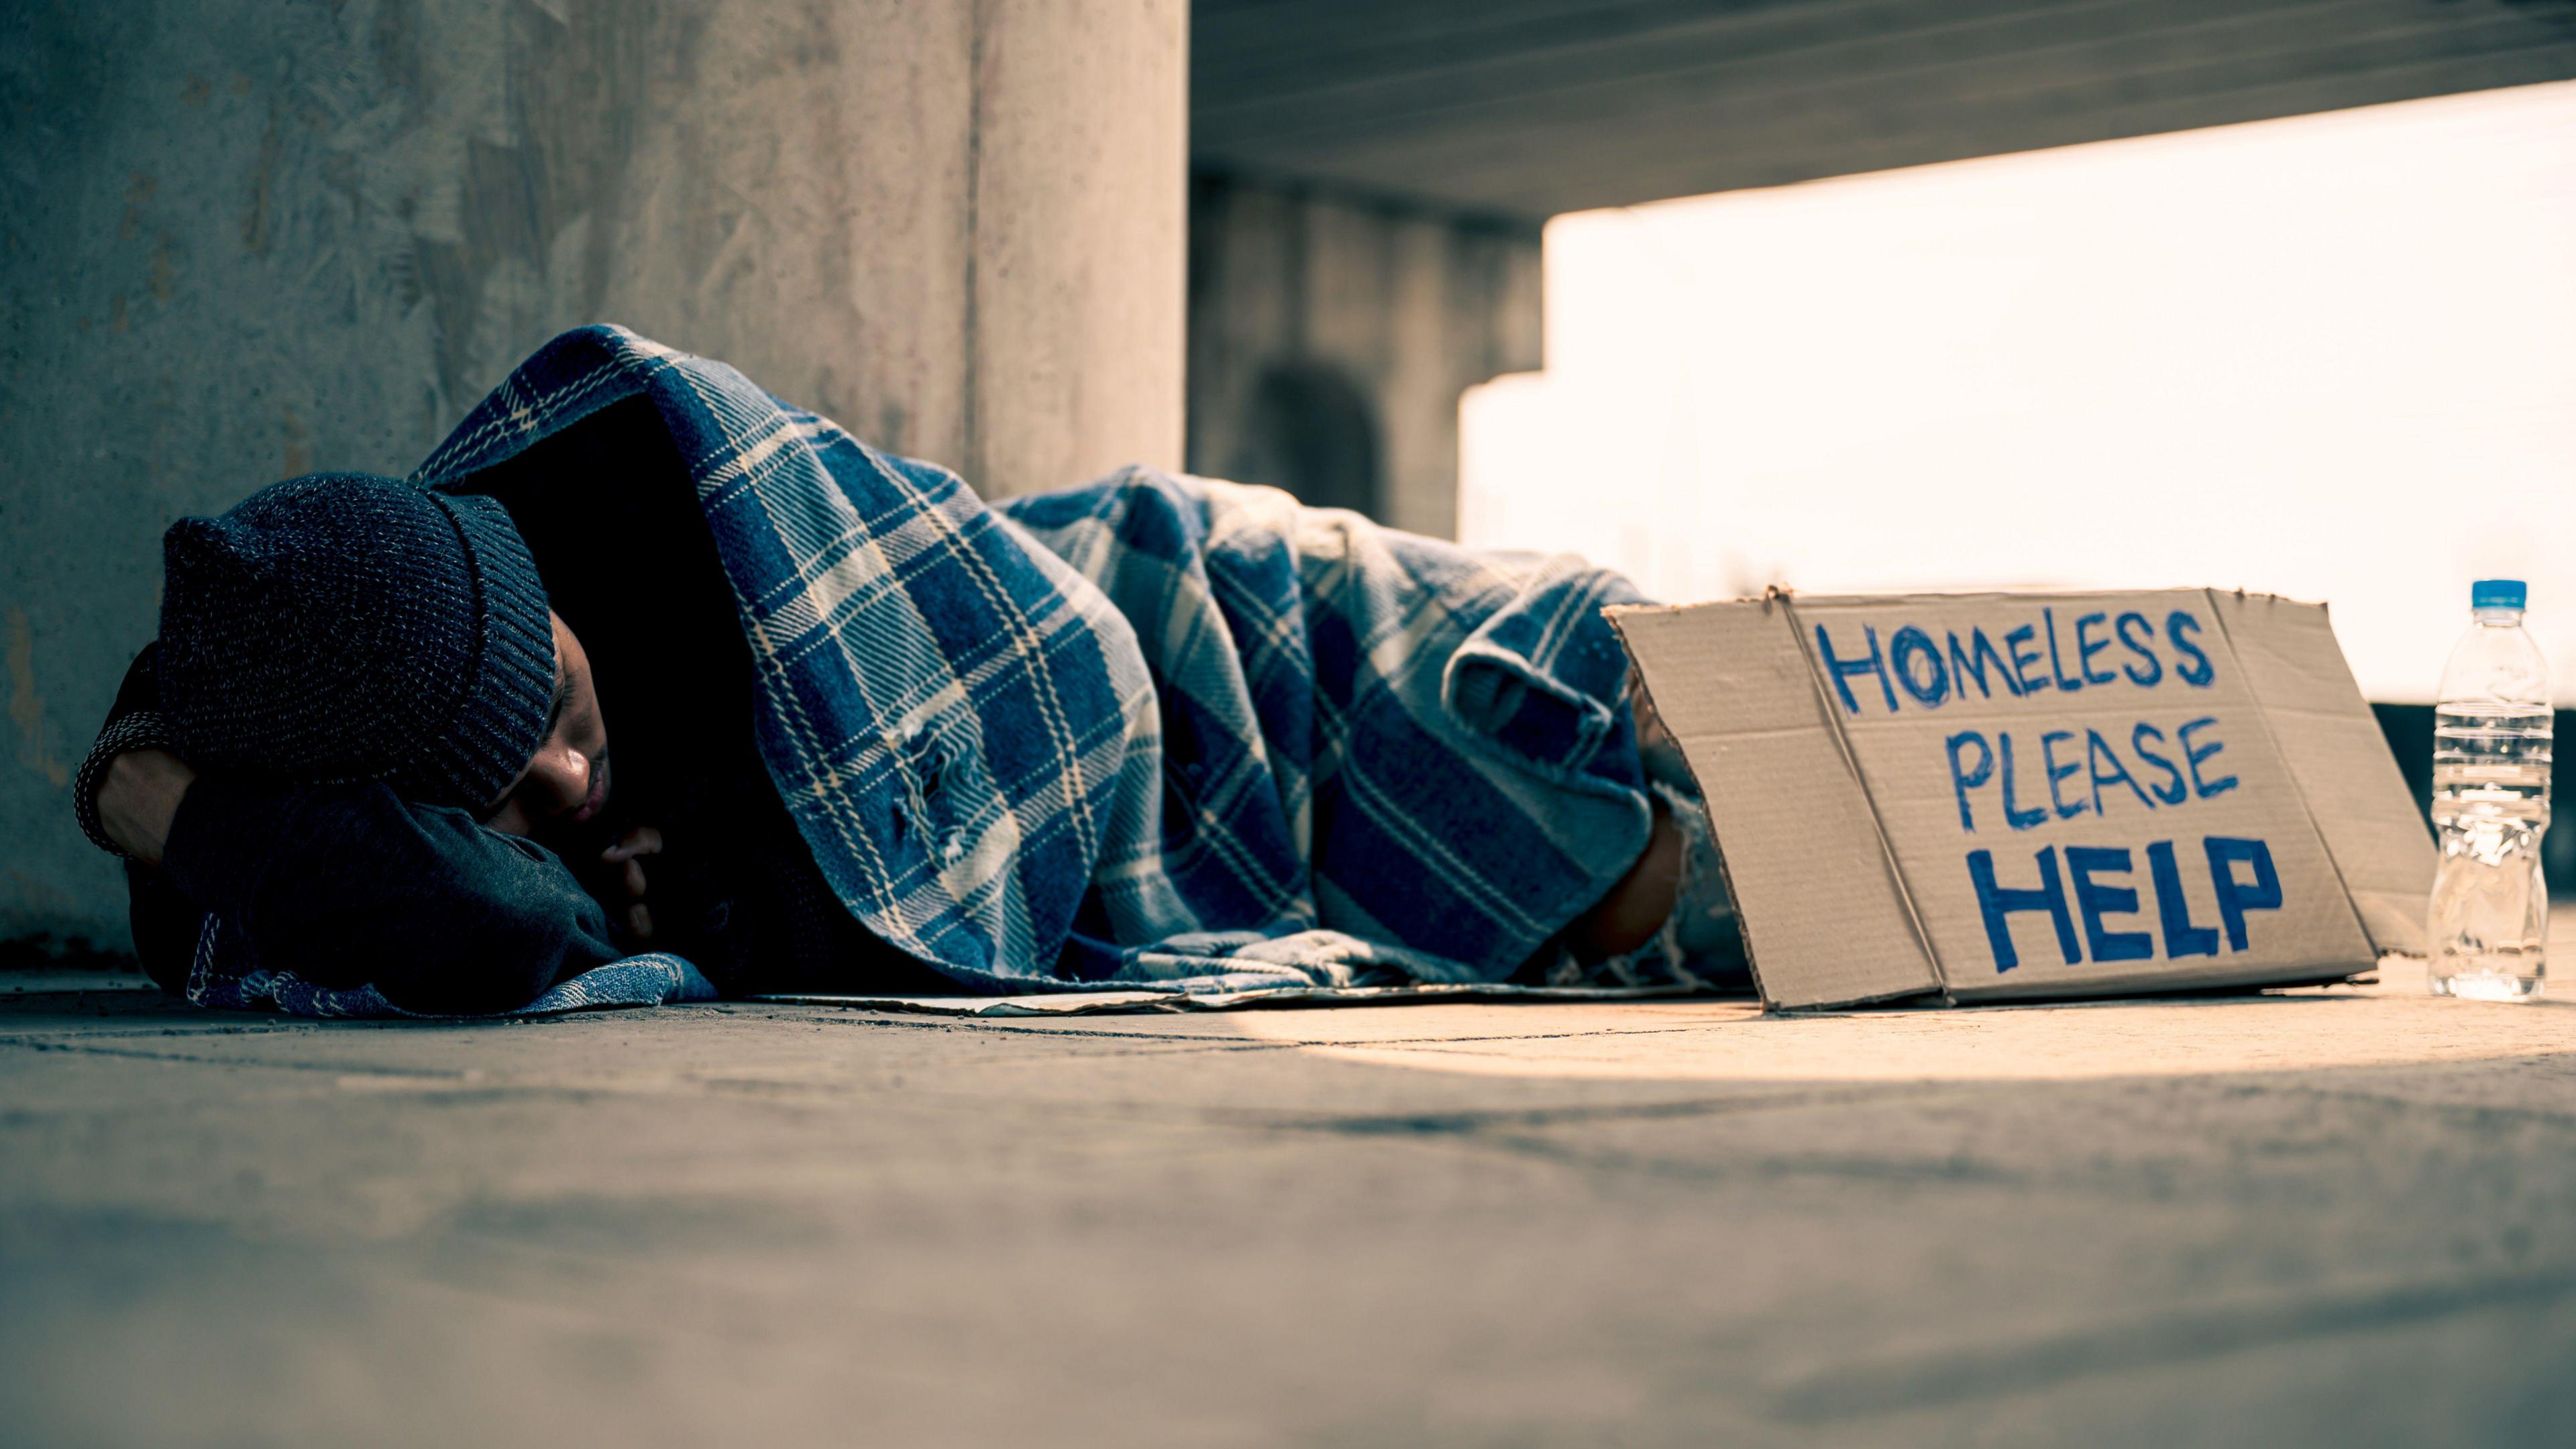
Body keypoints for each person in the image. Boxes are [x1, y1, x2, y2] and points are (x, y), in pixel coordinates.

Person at [74, 327, 1733, 1016]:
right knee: (1639, 896)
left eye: (565, 716)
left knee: (1580, 708)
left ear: (545, 596)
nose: (573, 790)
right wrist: (175, 808)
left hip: (1182, 627)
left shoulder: (651, 502)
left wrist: (736, 865)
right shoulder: (267, 750)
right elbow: (514, 931)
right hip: (1186, 809)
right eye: (505, 798)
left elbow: (1053, 669)